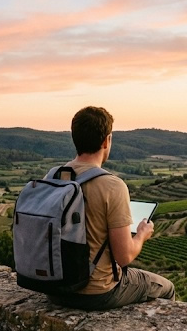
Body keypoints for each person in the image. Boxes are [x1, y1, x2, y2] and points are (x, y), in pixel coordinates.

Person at [47, 106, 174, 310]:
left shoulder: (53, 176)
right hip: (97, 292)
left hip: (54, 289)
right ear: (106, 140)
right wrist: (142, 234)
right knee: (166, 288)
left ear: (75, 138)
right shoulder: (112, 186)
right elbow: (124, 257)